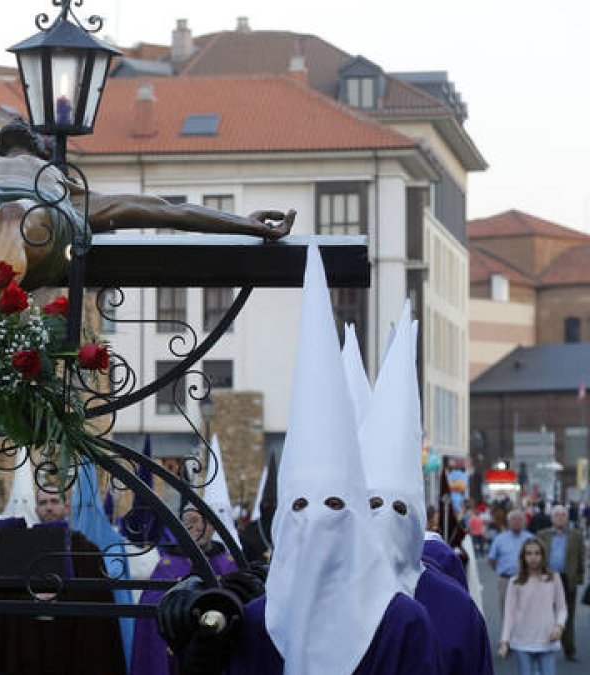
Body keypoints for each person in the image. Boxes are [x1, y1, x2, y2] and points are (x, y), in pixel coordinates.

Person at [167, 246, 442, 674]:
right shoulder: (254, 622)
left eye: (334, 505)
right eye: (300, 506)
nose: (316, 521)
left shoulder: (403, 623)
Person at [0, 119, 294, 303]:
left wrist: (246, 224)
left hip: (39, 229)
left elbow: (159, 209)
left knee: (14, 213)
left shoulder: (67, 194)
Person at [350, 301, 494, 674]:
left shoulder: (455, 609)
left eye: (399, 509)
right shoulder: (321, 598)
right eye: (373, 504)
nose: (385, 517)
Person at [0, 483, 126, 675]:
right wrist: (32, 599)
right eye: (43, 502)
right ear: (36, 509)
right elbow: (1, 594)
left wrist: (63, 599)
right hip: (29, 640)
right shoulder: (19, 546)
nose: (49, 507)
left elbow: (96, 599)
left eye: (54, 501)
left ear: (66, 507)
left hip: (71, 639)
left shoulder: (85, 550)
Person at [132, 504, 240, 675]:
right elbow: (150, 610)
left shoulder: (228, 564)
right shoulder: (168, 564)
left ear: (212, 526)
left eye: (200, 521)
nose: (194, 527)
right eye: (188, 522)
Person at [499, 539, 567, 674]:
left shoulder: (553, 578)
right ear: (523, 557)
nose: (533, 557)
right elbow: (509, 613)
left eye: (537, 553)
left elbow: (561, 608)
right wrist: (505, 641)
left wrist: (559, 625)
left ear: (543, 556)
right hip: (522, 639)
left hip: (547, 637)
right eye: (528, 554)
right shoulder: (515, 581)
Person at [535, 505, 584, 661]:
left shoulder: (576, 536)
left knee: (567, 616)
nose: (560, 518)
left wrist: (579, 578)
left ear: (567, 518)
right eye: (557, 515)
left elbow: (581, 558)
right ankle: (541, 646)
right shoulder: (542, 535)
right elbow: (535, 557)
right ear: (552, 518)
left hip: (567, 579)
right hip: (547, 579)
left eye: (563, 515)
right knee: (545, 614)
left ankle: (569, 650)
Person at [489, 510, 535, 611]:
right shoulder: (499, 539)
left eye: (519, 519)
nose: (516, 522)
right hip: (506, 580)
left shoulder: (530, 538)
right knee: (506, 609)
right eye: (513, 519)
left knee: (527, 610)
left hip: (526, 579)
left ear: (524, 522)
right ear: (508, 522)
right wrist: (500, 569)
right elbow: (492, 559)